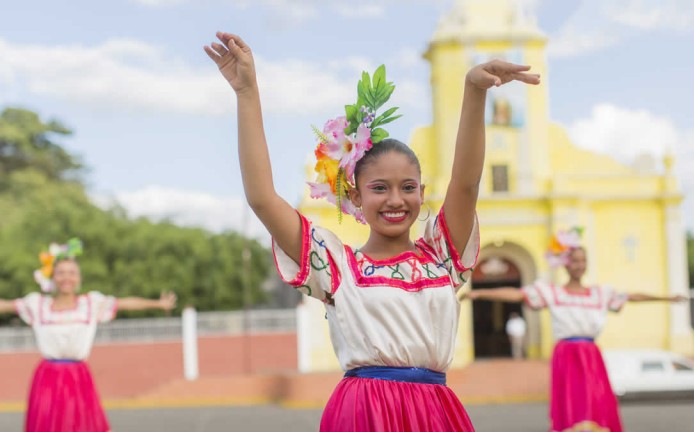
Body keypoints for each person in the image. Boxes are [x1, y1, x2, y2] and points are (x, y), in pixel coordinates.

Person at [204, 31, 539, 431]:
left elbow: (466, 183)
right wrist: (247, 92)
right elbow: (261, 198)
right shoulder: (335, 265)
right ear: (356, 197)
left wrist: (474, 90)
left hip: (435, 412)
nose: (396, 199)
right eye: (379, 188)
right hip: (364, 412)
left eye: (408, 187)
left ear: (422, 193)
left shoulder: (442, 255)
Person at [461, 228, 685, 432]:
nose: (579, 265)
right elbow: (518, 294)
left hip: (591, 353)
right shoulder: (554, 293)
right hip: (567, 354)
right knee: (572, 404)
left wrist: (667, 298)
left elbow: (632, 296)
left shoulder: (600, 294)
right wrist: (480, 294)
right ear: (565, 264)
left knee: (597, 403)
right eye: (575, 260)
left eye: (583, 260)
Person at [0, 238, 177, 432]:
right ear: (52, 277)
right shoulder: (37, 305)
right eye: (60, 273)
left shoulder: (91, 304)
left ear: (79, 278)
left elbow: (125, 303)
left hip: (78, 377)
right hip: (48, 378)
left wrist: (158, 304)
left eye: (72, 273)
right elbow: (5, 305)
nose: (66, 278)